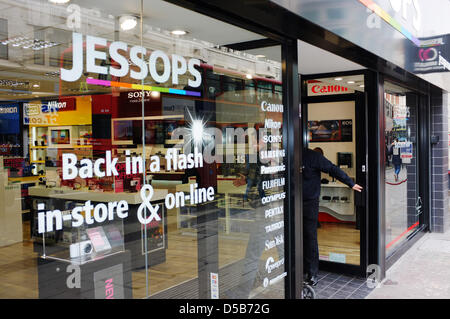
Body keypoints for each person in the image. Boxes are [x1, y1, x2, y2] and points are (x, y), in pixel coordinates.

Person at [302, 147, 363, 286]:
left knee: (309, 237)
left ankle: (312, 273)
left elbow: (332, 168)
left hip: (309, 204)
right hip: (292, 204)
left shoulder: (312, 156)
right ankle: (301, 269)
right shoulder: (289, 155)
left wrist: (350, 183)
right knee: (297, 237)